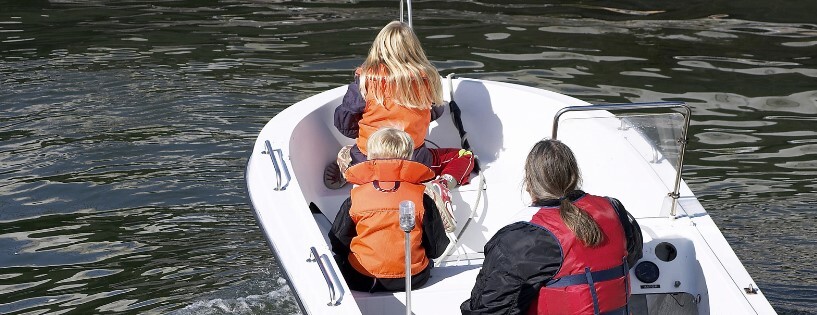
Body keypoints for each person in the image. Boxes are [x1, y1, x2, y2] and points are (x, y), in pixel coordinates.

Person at [461, 139, 643, 315]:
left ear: (529, 183)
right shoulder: (613, 209)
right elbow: (632, 256)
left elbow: (487, 308)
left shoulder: (523, 237)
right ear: (575, 175)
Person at [327, 21, 476, 231]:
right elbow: (436, 111)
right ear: (415, 49)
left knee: (356, 149)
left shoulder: (365, 81)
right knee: (464, 156)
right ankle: (442, 185)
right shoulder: (427, 79)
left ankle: (349, 165)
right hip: (414, 163)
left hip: (368, 158)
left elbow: (343, 123)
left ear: (378, 47)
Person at [329, 127, 451, 292]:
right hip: (412, 279)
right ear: (409, 156)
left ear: (369, 156)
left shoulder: (355, 198)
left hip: (361, 279)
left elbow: (338, 242)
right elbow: (437, 247)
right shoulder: (422, 198)